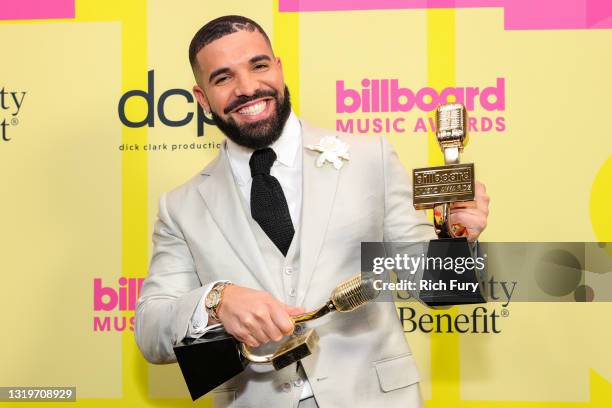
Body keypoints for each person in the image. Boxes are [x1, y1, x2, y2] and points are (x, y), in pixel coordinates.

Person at [134, 15, 490, 408]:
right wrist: (217, 299)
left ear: (279, 67)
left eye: (259, 65)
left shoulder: (370, 158)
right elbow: (152, 331)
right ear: (202, 99)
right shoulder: (181, 206)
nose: (248, 88)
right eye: (223, 78)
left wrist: (457, 240)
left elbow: (434, 287)